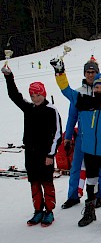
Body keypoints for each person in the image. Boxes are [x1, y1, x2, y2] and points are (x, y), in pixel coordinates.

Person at [51, 59, 101, 227]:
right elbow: (66, 90)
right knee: (91, 181)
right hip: (89, 151)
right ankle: (89, 211)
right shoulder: (84, 102)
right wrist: (60, 72)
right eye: (97, 86)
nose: (99, 89)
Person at [2, 64, 62, 227]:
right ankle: (38, 210)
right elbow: (14, 96)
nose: (35, 98)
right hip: (30, 153)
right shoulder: (29, 109)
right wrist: (9, 77)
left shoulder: (51, 110)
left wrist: (51, 155)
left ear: (43, 94)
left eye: (38, 95)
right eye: (33, 95)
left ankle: (49, 211)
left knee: (47, 183)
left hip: (45, 155)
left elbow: (57, 135)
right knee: (34, 182)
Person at [61, 57, 101, 210]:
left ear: (98, 73)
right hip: (82, 137)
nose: (90, 75)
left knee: (100, 168)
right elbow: (72, 116)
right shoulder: (78, 93)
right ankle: (73, 196)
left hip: (100, 138)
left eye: (93, 72)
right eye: (88, 72)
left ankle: (100, 196)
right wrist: (67, 137)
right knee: (75, 168)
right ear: (84, 73)